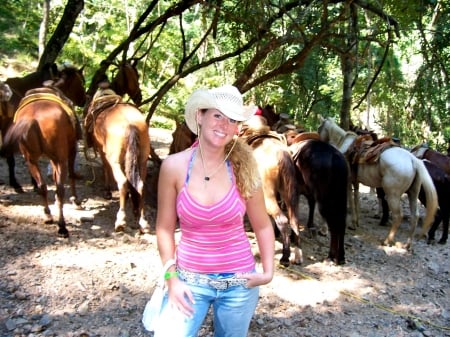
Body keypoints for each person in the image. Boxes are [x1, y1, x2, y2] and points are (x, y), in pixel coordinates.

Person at [154, 84, 275, 337]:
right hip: (188, 281)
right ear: (200, 116)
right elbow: (164, 228)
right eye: (217, 115)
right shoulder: (174, 167)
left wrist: (267, 271)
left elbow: (263, 225)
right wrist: (171, 278)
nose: (224, 124)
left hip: (240, 285)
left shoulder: (245, 169)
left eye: (232, 119)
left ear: (237, 127)